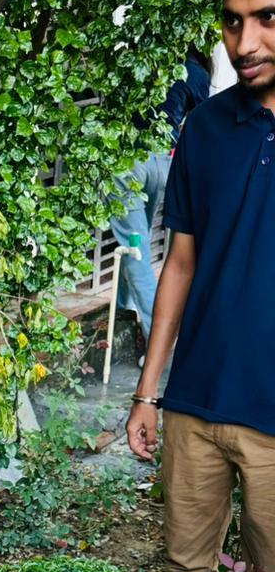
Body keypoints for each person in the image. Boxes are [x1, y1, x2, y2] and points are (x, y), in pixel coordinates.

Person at [127, 0, 275, 572]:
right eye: (233, 21)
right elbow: (179, 265)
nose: (244, 44)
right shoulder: (206, 128)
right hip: (195, 402)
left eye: (267, 19)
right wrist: (147, 393)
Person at [109, 47, 211, 352]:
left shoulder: (143, 56)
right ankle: (125, 312)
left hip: (130, 164)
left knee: (135, 250)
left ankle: (162, 337)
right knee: (137, 243)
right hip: (162, 165)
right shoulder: (198, 75)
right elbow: (202, 124)